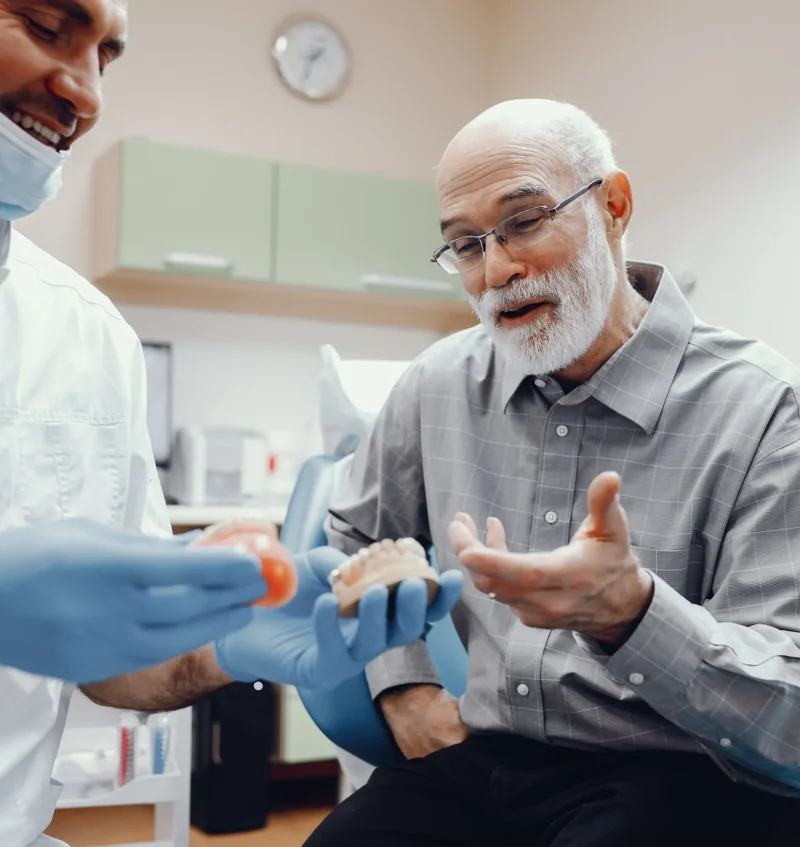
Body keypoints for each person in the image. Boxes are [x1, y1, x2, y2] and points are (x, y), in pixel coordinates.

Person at [0, 2, 462, 845]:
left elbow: (112, 662)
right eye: (42, 24)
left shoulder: (88, 336)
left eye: (107, 54)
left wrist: (220, 646)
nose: (85, 89)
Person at [307, 99, 800, 847]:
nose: (497, 269)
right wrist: (403, 682)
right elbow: (353, 534)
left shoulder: (764, 408)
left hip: (683, 771)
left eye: (525, 221)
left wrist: (632, 613)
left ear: (614, 206)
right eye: (466, 245)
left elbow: (789, 713)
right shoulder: (438, 383)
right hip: (482, 759)